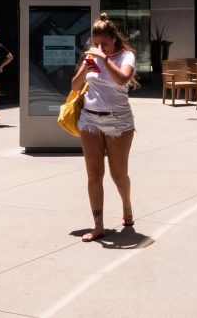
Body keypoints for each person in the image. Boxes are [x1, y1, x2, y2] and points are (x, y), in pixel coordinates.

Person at [71, 13, 138, 242]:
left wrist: (105, 59)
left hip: (118, 122)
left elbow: (122, 80)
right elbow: (74, 85)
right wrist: (85, 67)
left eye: (105, 44)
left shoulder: (125, 56)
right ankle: (98, 225)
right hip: (90, 119)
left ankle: (127, 207)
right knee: (93, 174)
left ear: (114, 39)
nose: (101, 48)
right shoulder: (94, 56)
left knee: (118, 174)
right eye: (97, 44)